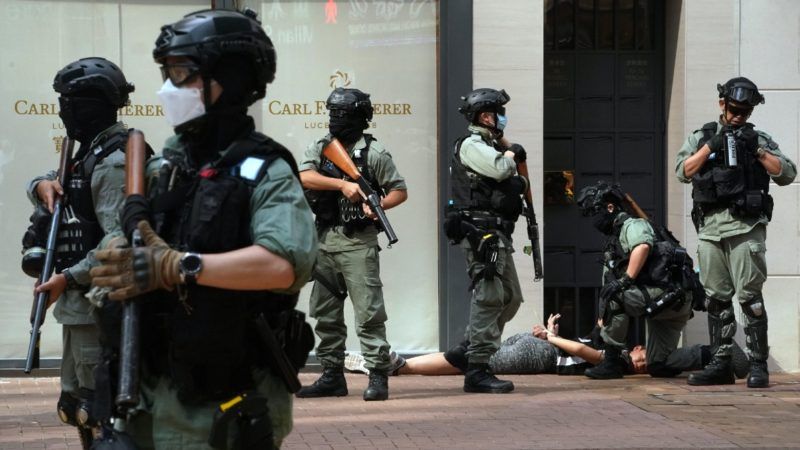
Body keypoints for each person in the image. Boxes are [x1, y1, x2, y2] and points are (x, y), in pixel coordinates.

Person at [89, 9, 317, 448]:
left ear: (227, 78)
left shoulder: (265, 170)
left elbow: (282, 264)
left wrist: (180, 266)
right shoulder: (170, 164)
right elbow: (138, 240)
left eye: (181, 74)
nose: (168, 89)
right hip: (147, 391)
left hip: (222, 404)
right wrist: (113, 262)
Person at [23, 57, 134, 448]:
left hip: (100, 305)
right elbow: (61, 188)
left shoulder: (114, 162)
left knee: (100, 410)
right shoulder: (92, 152)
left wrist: (67, 277)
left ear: (89, 105)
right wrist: (40, 185)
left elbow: (119, 241)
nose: (63, 110)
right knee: (76, 407)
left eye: (68, 102)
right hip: (78, 304)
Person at [676, 77, 796, 387]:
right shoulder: (702, 136)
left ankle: (758, 365)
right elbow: (682, 171)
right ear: (722, 105)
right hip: (711, 229)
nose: (738, 116)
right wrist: (709, 148)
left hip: (746, 228)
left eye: (745, 111)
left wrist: (757, 150)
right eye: (734, 110)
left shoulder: (759, 138)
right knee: (716, 298)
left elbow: (787, 173)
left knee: (749, 297)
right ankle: (720, 363)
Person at [296, 87, 408, 401]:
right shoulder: (321, 147)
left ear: (359, 118)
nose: (335, 120)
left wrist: (379, 205)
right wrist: (342, 184)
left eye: (341, 115)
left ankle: (377, 376)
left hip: (358, 242)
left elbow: (400, 190)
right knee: (326, 312)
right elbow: (304, 176)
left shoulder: (374, 153)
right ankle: (332, 375)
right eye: (332, 113)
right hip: (325, 240)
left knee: (369, 312)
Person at [343, 313, 749, 379]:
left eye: (643, 354)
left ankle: (399, 367)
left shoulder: (619, 362)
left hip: (533, 355)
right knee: (468, 356)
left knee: (467, 359)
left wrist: (551, 338)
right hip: (532, 344)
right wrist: (554, 327)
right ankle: (399, 365)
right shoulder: (620, 352)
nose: (643, 350)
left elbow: (588, 355)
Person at [443, 88, 528, 393]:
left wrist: (505, 146)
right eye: (497, 113)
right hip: (482, 235)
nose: (502, 118)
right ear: (485, 116)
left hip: (497, 233)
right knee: (490, 296)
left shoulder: (488, 144)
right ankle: (477, 367)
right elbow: (501, 168)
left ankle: (468, 345)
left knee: (512, 297)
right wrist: (509, 152)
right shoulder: (472, 145)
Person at [576, 181, 696, 380]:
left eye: (596, 212)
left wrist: (625, 281)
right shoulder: (615, 237)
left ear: (610, 207)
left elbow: (642, 246)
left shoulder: (633, 225)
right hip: (668, 303)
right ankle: (714, 354)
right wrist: (601, 326)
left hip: (670, 295)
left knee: (615, 294)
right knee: (659, 364)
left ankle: (612, 363)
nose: (594, 220)